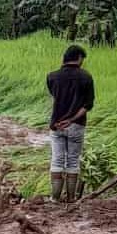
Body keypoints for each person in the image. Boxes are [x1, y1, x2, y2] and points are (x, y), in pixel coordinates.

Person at [46, 45, 94, 203]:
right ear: (79, 57)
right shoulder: (86, 77)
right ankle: (71, 198)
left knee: (57, 159)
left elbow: (55, 95)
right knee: (73, 160)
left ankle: (54, 198)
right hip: (76, 125)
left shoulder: (52, 76)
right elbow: (87, 105)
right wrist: (72, 119)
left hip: (56, 124)